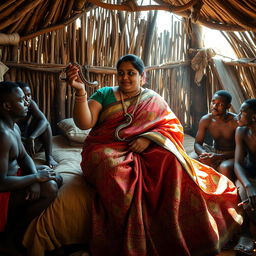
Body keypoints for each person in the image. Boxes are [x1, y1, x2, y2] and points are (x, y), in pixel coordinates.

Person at [65, 54, 242, 255]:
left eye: (131, 73)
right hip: (106, 148)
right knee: (113, 170)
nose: (125, 78)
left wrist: (149, 138)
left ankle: (171, 226)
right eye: (121, 73)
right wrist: (80, 91)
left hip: (143, 147)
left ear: (143, 76)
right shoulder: (104, 94)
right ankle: (129, 236)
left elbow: (172, 126)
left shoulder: (152, 99)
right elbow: (84, 123)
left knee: (172, 160)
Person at [0, 81, 62, 255]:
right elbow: (1, 183)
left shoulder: (14, 127)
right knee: (50, 188)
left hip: (15, 178)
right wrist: (35, 178)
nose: (27, 102)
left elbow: (24, 156)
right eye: (21, 100)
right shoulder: (2, 135)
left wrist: (34, 175)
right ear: (7, 106)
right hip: (3, 191)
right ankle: (9, 236)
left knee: (56, 178)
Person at [191, 90, 238, 181]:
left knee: (224, 167)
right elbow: (197, 143)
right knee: (192, 159)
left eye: (220, 104)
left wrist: (217, 157)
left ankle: (228, 193)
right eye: (213, 102)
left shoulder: (235, 122)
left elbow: (243, 151)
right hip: (213, 151)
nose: (214, 107)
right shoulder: (206, 120)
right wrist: (205, 154)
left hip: (231, 154)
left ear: (228, 106)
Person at [16, 81, 58, 168]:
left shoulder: (30, 103)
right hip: (17, 143)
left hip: (28, 140)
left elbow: (44, 121)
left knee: (44, 124)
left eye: (29, 95)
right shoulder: (12, 108)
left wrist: (32, 137)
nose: (27, 99)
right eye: (24, 96)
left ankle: (49, 156)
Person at [233, 99, 256, 255]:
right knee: (245, 198)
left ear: (254, 117)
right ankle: (246, 235)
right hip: (248, 176)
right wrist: (248, 185)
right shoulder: (241, 132)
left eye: (242, 112)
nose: (238, 115)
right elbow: (238, 164)